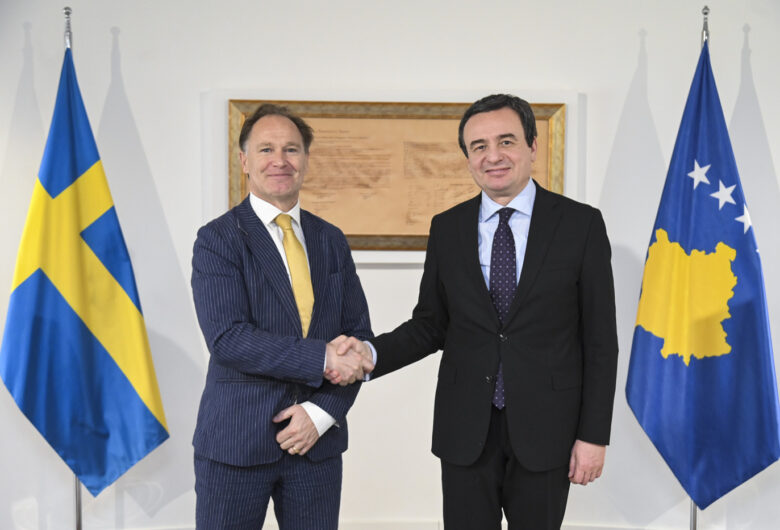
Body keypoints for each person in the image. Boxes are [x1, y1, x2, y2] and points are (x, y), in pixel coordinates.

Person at [333, 94, 618, 529]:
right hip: (466, 430)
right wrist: (370, 354)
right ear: (467, 157)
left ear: (532, 147)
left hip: (547, 430)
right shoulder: (447, 227)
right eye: (479, 146)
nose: (493, 156)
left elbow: (600, 342)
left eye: (506, 141)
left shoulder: (581, 225)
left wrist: (593, 435)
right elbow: (431, 325)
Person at [191, 103, 373, 529]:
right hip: (236, 444)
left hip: (316, 445)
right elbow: (228, 339)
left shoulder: (330, 239)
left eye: (291, 149)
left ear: (305, 160)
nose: (280, 160)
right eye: (266, 149)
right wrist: (322, 358)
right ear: (244, 161)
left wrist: (322, 414)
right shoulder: (218, 239)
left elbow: (358, 340)